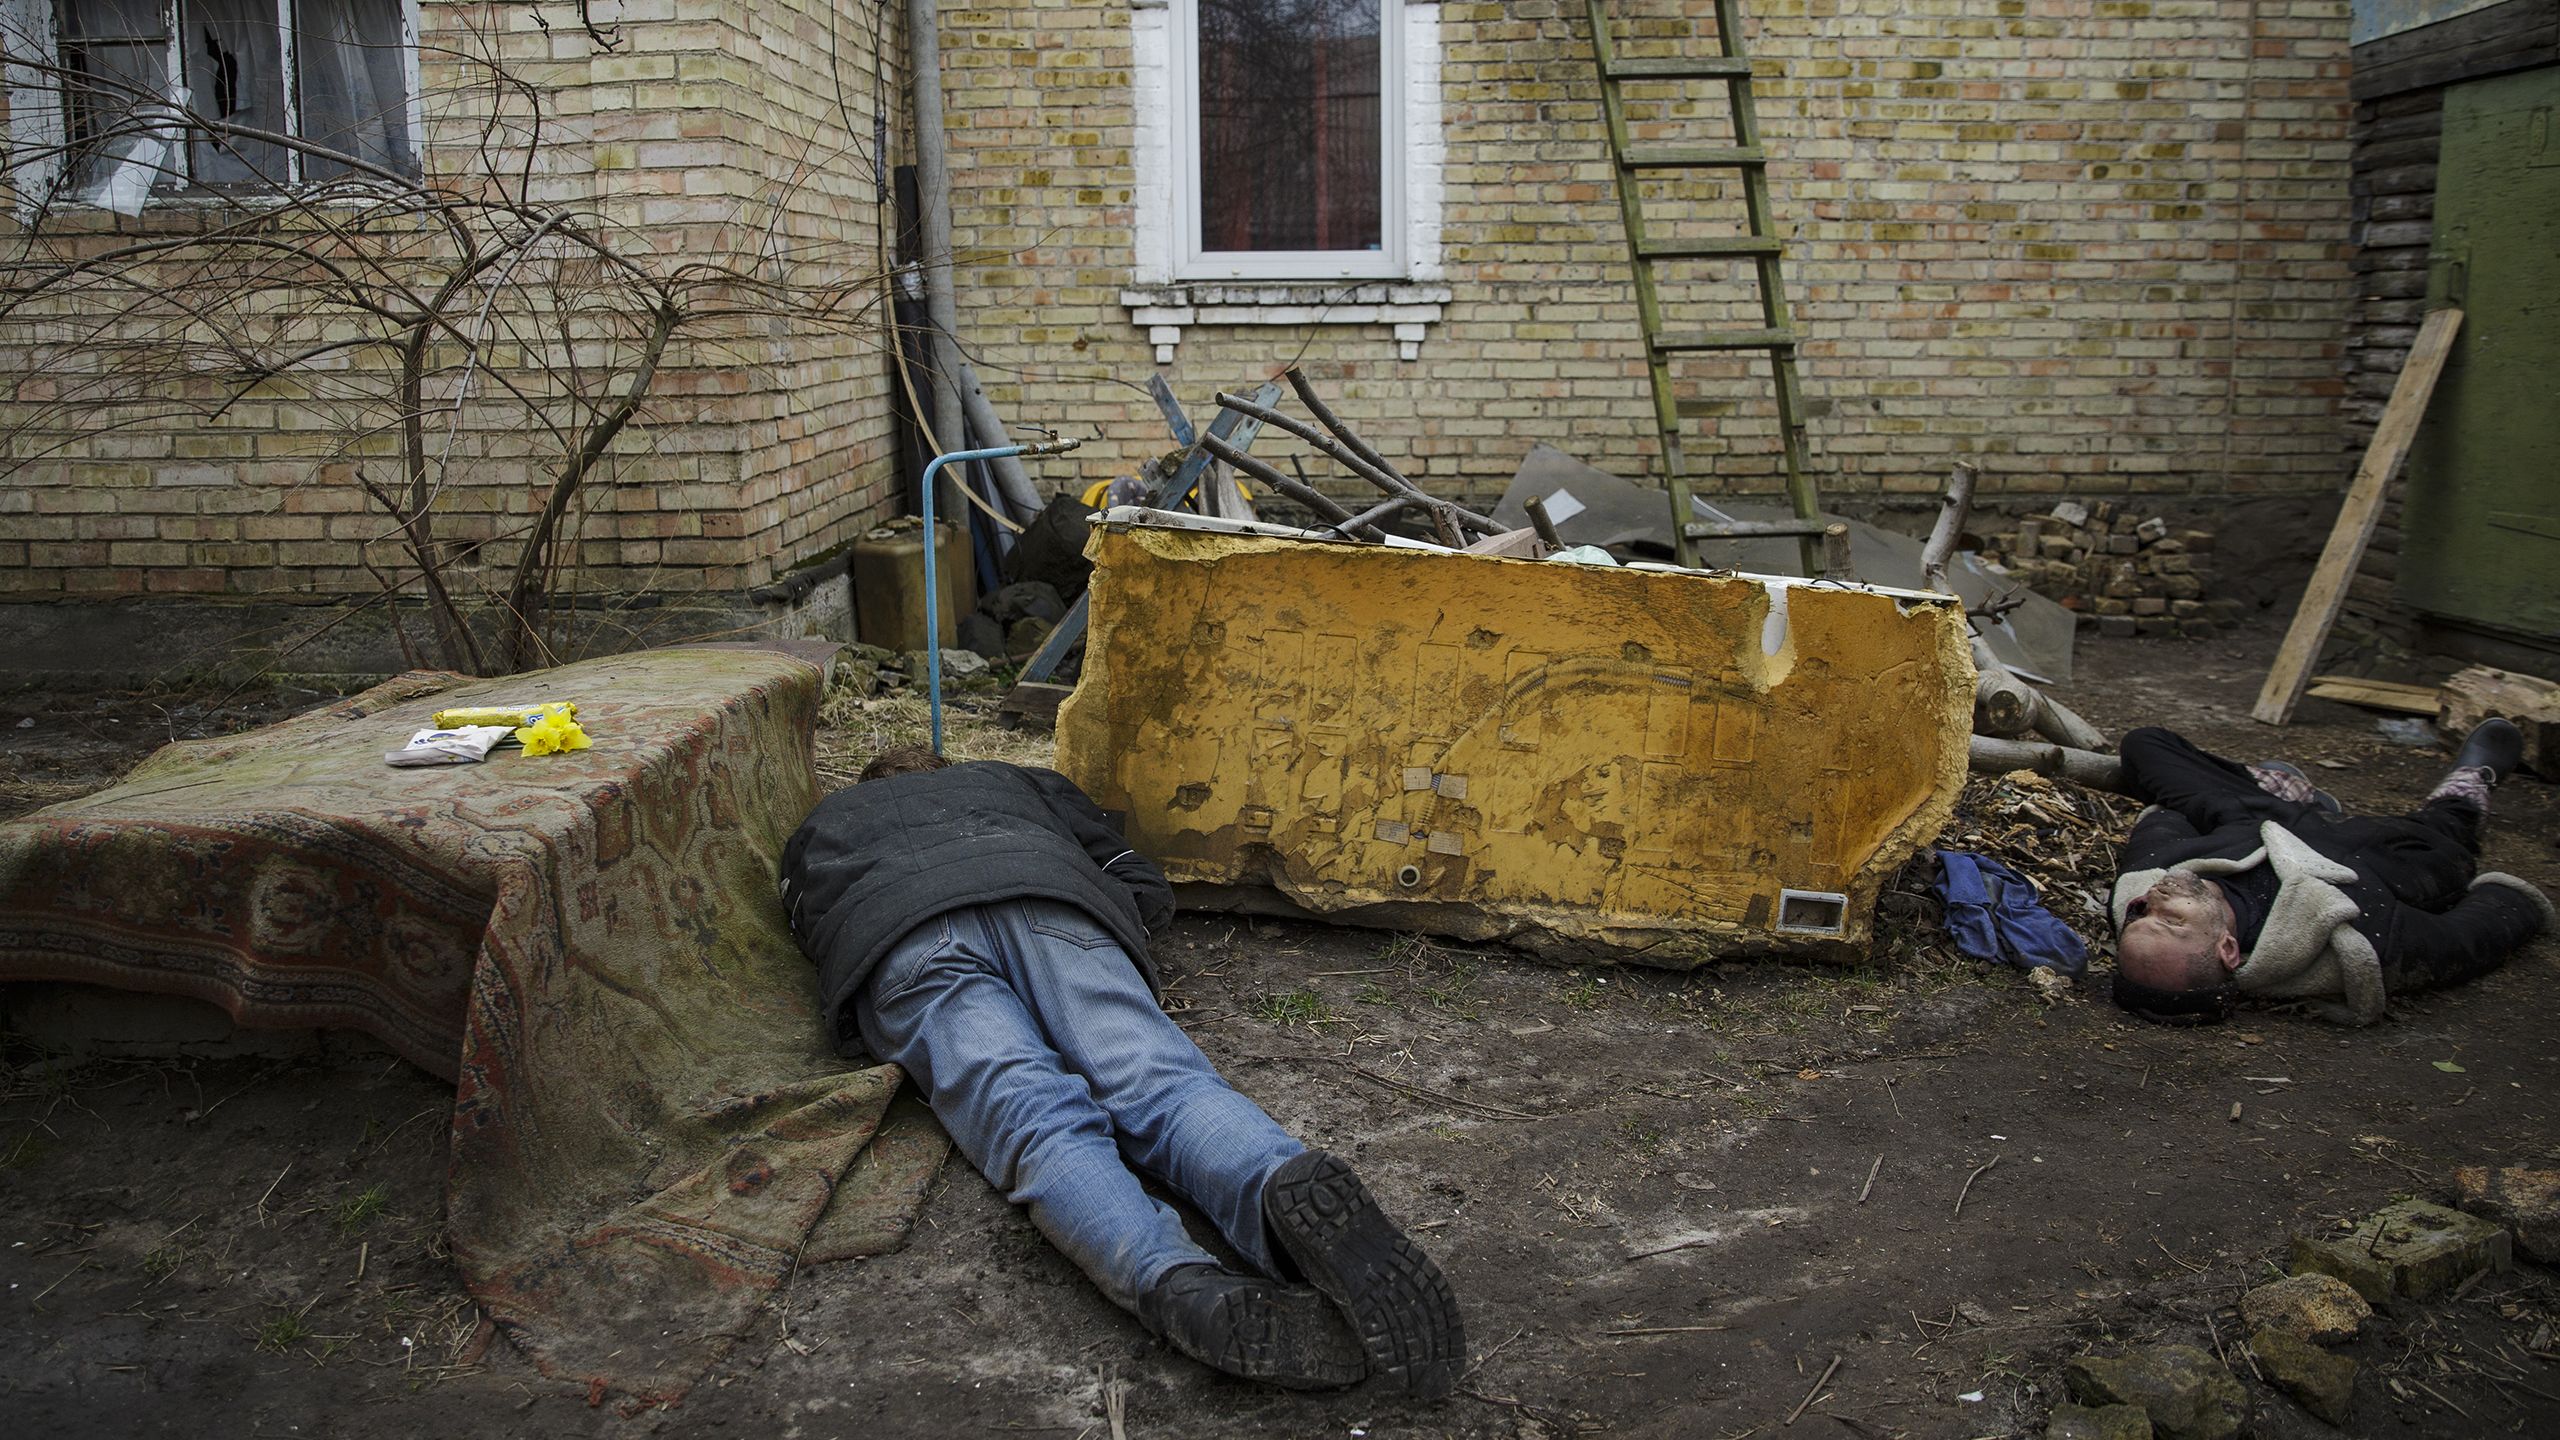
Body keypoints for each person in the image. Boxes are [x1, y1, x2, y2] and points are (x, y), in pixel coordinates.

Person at [780, 746, 1465, 1396]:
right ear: (947, 769)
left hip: (901, 933)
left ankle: (1172, 1280)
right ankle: (1272, 1188)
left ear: (864, 787)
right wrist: (1118, 924)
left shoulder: (825, 822)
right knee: (1159, 1084)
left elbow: (810, 924)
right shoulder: (1014, 780)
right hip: (1047, 894)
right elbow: (1132, 868)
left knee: (1035, 1122)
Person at [2109, 720, 2551, 1025]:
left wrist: (2200, 801)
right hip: (2387, 850)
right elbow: (2470, 938)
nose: (2155, 900)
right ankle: (2468, 785)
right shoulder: (2358, 933)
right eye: (2169, 920)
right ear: (2228, 949)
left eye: (2140, 915)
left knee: (2144, 746)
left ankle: (2281, 787)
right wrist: (2511, 900)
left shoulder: (2151, 880)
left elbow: (2163, 825)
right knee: (2449, 834)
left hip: (2258, 816)